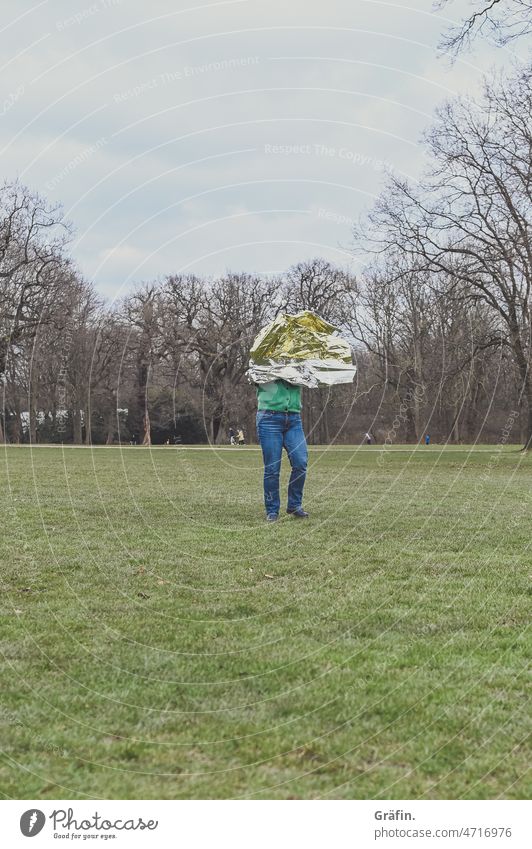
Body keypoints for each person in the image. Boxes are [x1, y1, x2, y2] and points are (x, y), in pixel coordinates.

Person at [255, 379, 309, 522]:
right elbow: (256, 377)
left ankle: (294, 505)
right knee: (272, 468)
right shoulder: (264, 358)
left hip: (293, 417)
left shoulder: (297, 358)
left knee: (301, 463)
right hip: (268, 417)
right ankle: (272, 510)